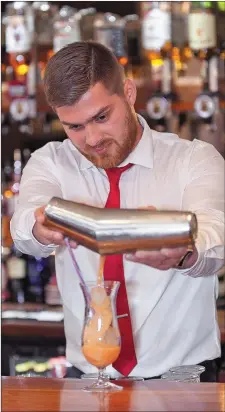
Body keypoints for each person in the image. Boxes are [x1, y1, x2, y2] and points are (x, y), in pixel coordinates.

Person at [11, 41, 224, 382]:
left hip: (181, 383)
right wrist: (39, 229)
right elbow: (23, 228)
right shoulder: (51, 161)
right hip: (87, 380)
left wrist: (183, 253)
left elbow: (216, 240)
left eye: (101, 117)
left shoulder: (193, 159)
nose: (92, 138)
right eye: (74, 126)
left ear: (128, 91)